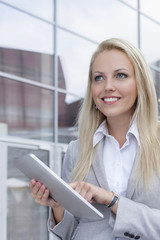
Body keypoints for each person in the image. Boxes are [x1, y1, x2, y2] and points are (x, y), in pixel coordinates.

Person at [30, 38, 160, 240]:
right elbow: (71, 231)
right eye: (99, 78)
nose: (108, 86)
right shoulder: (77, 150)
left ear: (140, 83)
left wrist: (111, 200)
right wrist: (58, 206)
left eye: (120, 75)